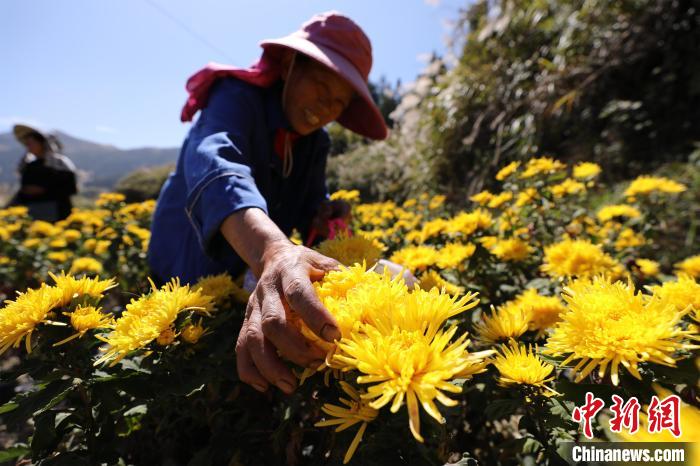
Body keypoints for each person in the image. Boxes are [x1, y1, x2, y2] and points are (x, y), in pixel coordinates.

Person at [148, 12, 389, 395]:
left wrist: (323, 212)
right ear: (291, 65)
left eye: (340, 102)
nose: (327, 107)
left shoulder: (316, 143)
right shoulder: (236, 98)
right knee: (181, 373)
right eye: (323, 85)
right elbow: (218, 167)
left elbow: (310, 198)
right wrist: (273, 251)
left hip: (256, 274)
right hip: (189, 262)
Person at [9, 125, 78, 221]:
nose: (28, 147)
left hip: (59, 213)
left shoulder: (60, 163)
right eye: (27, 144)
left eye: (31, 143)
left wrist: (44, 190)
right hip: (33, 213)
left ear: (42, 143)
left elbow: (70, 188)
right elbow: (23, 190)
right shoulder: (29, 166)